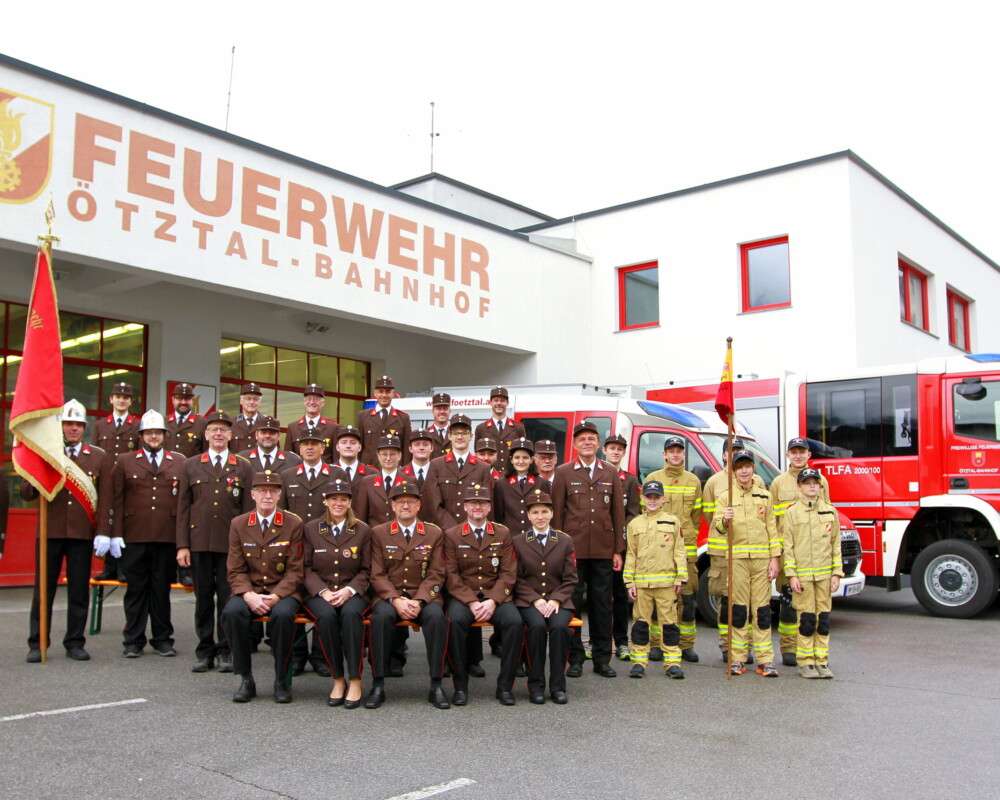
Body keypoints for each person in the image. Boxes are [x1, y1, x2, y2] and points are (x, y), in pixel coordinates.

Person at [24, 399, 113, 662]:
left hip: (82, 533)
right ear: (60, 426)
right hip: (49, 532)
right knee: (43, 590)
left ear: (83, 428)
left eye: (77, 425)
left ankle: (75, 642)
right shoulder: (46, 452)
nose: (73, 429)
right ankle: (36, 641)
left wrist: (104, 532)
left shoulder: (97, 456)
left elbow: (106, 498)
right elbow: (27, 494)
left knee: (78, 591)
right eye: (68, 424)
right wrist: (37, 471)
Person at [176, 411, 253, 673]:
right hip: (198, 543)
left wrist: (246, 547)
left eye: (223, 430)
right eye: (213, 430)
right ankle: (204, 650)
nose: (218, 434)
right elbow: (183, 509)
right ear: (206, 435)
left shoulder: (242, 466)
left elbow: (246, 511)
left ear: (231, 435)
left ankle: (225, 650)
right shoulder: (191, 465)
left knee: (228, 598)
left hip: (230, 546)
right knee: (203, 599)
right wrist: (182, 545)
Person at [221, 472, 304, 703]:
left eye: (273, 491)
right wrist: (248, 595)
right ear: (252, 494)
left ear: (279, 495)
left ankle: (281, 679)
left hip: (283, 591)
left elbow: (296, 570)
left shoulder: (293, 523)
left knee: (283, 615)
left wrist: (276, 596)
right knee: (232, 612)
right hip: (251, 589)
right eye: (262, 491)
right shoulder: (239, 524)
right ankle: (245, 678)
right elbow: (235, 569)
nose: (267, 495)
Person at [366, 481, 449, 709]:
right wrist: (394, 599)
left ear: (418, 505)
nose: (405, 506)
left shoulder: (433, 533)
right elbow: (377, 573)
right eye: (400, 502)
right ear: (392, 506)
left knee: (437, 619)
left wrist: (420, 600)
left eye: (410, 502)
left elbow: (437, 573)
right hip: (390, 596)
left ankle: (436, 684)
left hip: (423, 597)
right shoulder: (379, 533)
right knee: (380, 618)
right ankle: (378, 683)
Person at [551, 421, 625, 678]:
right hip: (573, 549)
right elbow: (557, 513)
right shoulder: (563, 472)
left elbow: (617, 514)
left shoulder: (610, 472)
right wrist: (558, 549)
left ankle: (603, 658)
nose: (587, 443)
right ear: (574, 444)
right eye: (582, 439)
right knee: (571, 604)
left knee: (602, 605)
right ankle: (575, 658)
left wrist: (618, 550)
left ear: (598, 444)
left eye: (592, 439)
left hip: (604, 550)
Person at [111, 410, 186, 658]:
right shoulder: (125, 460)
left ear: (164, 435)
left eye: (158, 432)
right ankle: (133, 641)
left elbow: (184, 503)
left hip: (166, 537)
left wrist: (181, 539)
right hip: (135, 536)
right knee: (135, 591)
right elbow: (117, 499)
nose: (154, 436)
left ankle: (163, 639)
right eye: (149, 432)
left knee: (161, 591)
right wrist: (115, 534)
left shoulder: (179, 461)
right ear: (141, 435)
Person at [443, 486, 522, 706]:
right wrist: (470, 601)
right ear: (465, 507)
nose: (478, 507)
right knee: (454, 621)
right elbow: (451, 574)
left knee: (514, 622)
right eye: (473, 503)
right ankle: (460, 686)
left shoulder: (502, 533)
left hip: (494, 595)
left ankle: (505, 686)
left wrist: (493, 600)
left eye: (482, 503)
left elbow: (508, 573)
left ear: (489, 507)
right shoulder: (452, 534)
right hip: (464, 596)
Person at [281, 430, 347, 676]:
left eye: (315, 444)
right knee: (295, 595)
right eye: (305, 444)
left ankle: (320, 655)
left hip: (327, 545)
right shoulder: (287, 475)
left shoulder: (337, 474)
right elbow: (284, 513)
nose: (310, 448)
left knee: (324, 598)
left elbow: (343, 509)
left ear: (324, 448)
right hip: (296, 546)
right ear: (299, 448)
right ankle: (297, 655)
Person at [302, 478, 371, 708]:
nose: (338, 503)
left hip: (353, 592)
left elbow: (367, 569)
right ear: (326, 502)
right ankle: (338, 678)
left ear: (350, 502)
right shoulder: (311, 528)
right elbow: (306, 567)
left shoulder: (362, 530)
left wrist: (349, 591)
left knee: (352, 617)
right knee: (326, 616)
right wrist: (322, 592)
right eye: (334, 499)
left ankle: (355, 679)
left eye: (343, 499)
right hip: (321, 593)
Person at [713, 449, 781, 677]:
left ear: (753, 468)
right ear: (733, 470)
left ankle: (765, 661)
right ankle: (738, 659)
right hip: (738, 561)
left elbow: (772, 528)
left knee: (761, 611)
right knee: (739, 610)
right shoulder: (725, 497)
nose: (744, 470)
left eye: (747, 466)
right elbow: (718, 528)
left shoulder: (765, 496)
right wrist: (725, 519)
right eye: (739, 466)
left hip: (762, 561)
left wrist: (775, 558)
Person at [701, 437, 766, 661]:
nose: (734, 453)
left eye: (738, 450)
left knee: (747, 599)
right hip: (722, 552)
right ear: (723, 455)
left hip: (748, 552)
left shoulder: (757, 481)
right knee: (726, 600)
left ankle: (744, 647)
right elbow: (711, 516)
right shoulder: (713, 482)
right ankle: (727, 646)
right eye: (730, 450)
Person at [770, 437, 832, 667]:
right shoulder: (778, 483)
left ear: (809, 455)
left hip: (814, 554)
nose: (797, 456)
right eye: (793, 452)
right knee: (788, 600)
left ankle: (812, 651)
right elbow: (773, 522)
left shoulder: (820, 481)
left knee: (813, 605)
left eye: (802, 452)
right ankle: (788, 647)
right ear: (787, 455)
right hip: (789, 553)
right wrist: (776, 554)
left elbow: (827, 516)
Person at [512, 490, 578, 704]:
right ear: (528, 516)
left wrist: (556, 599)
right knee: (537, 628)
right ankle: (536, 685)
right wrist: (536, 600)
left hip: (558, 601)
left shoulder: (564, 540)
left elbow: (570, 578)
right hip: (530, 601)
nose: (540, 517)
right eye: (535, 512)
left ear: (551, 514)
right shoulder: (518, 541)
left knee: (560, 629)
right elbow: (516, 579)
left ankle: (558, 686)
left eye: (544, 512)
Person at [644, 436, 702, 663]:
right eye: (671, 451)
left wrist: (686, 534)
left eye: (679, 450)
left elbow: (696, 517)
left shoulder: (694, 480)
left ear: (684, 454)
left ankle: (686, 645)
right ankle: (657, 644)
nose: (675, 454)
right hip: (659, 548)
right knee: (661, 598)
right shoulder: (653, 478)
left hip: (685, 546)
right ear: (664, 454)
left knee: (687, 599)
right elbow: (646, 513)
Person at [783, 468, 843, 679]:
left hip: (825, 577)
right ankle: (806, 662)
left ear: (820, 486)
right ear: (799, 486)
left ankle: (822, 661)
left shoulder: (830, 511)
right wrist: (792, 575)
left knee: (823, 619)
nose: (811, 486)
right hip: (804, 578)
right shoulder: (792, 513)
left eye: (814, 483)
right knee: (807, 620)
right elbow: (788, 546)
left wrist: (837, 573)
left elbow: (836, 545)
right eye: (806, 482)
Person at [624, 480, 687, 679]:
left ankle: (672, 663)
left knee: (669, 625)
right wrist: (629, 581)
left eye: (656, 497)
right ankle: (639, 662)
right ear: (642, 499)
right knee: (640, 624)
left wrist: (681, 577)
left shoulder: (672, 521)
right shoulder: (634, 524)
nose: (652, 501)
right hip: (642, 584)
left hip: (666, 584)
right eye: (649, 497)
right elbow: (631, 554)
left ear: (663, 499)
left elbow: (679, 551)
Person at [91, 381, 139, 580]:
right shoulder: (100, 425)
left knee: (124, 522)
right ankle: (108, 568)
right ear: (111, 400)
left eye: (125, 397)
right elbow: (94, 453)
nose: (121, 400)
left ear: (130, 402)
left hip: (128, 482)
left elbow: (139, 454)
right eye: (118, 397)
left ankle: (123, 569)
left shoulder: (136, 425)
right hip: (106, 482)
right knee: (106, 521)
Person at [602, 433, 641, 661]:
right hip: (598, 545)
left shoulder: (631, 480)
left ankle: (622, 642)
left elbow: (633, 513)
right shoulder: (597, 475)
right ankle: (599, 641)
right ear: (604, 450)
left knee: (619, 595)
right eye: (612, 448)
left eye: (619, 449)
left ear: (624, 453)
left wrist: (620, 537)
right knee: (599, 598)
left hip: (621, 546)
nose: (615, 452)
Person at [422, 414, 493, 532]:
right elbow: (434, 504)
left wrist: (468, 528)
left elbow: (485, 504)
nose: (460, 437)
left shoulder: (483, 468)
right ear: (449, 436)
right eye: (455, 433)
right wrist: (454, 529)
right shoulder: (436, 465)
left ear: (471, 436)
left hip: (473, 531)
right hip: (443, 531)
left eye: (464, 433)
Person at [493, 438, 551, 536]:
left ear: (532, 460)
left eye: (525, 457)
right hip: (510, 537)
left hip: (535, 537)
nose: (521, 461)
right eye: (517, 457)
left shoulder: (542, 483)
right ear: (511, 459)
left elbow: (547, 511)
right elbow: (498, 515)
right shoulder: (501, 484)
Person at [357, 376, 411, 466]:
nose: (384, 395)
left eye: (388, 392)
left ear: (393, 394)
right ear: (375, 393)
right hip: (369, 471)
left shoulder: (403, 418)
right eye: (381, 391)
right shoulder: (363, 416)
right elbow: (358, 447)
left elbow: (406, 450)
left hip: (394, 470)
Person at [354, 434, 405, 528]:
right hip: (374, 536)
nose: (388, 458)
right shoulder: (367, 482)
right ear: (378, 456)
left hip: (400, 537)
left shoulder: (409, 480)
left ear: (400, 456)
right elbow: (361, 516)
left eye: (393, 454)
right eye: (384, 454)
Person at [474, 386, 526, 472]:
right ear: (490, 402)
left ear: (507, 403)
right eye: (496, 400)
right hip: (489, 475)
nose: (499, 403)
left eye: (502, 400)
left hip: (511, 475)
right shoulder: (481, 428)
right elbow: (478, 454)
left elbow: (523, 453)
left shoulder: (519, 427)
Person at [285, 383, 339, 461]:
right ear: (304, 402)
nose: (312, 402)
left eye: (316, 399)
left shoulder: (333, 427)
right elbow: (288, 458)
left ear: (323, 403)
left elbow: (336, 459)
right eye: (308, 399)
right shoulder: (293, 427)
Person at [164, 383, 207, 459]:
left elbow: (206, 453)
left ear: (192, 400)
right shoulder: (164, 422)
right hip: (167, 469)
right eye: (179, 398)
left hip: (191, 470)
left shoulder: (202, 423)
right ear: (173, 400)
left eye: (187, 399)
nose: (183, 402)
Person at [330, 425, 373, 490]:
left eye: (353, 443)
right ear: (337, 447)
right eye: (344, 442)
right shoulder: (328, 472)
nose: (348, 446)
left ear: (359, 447)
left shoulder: (371, 473)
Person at [229, 382, 263, 456]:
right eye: (248, 398)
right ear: (241, 401)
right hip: (236, 465)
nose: (252, 402)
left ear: (260, 402)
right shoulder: (231, 423)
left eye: (255, 399)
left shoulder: (265, 423)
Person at [426, 392, 452, 459]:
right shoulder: (426, 434)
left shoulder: (455, 434)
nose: (442, 412)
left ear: (450, 411)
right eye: (438, 408)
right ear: (432, 411)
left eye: (445, 408)